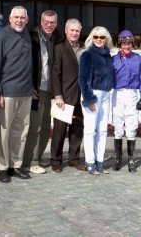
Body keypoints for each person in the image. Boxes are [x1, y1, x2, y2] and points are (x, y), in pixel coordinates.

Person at [0, 6, 34, 183]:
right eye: (16, 17)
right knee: (4, 132)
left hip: (25, 92)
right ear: (9, 18)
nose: (19, 20)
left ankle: (15, 165)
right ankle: (1, 167)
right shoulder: (2, 36)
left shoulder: (26, 34)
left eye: (22, 18)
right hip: (7, 93)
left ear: (27, 19)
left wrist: (32, 87)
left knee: (20, 131)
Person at [22, 10, 59, 174]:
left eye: (52, 22)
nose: (49, 25)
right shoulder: (31, 38)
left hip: (51, 91)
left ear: (56, 24)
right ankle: (31, 161)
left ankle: (38, 156)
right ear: (40, 22)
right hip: (36, 90)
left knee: (45, 127)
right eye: (46, 21)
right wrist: (30, 86)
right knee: (35, 127)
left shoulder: (56, 40)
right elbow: (25, 65)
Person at [50, 19, 86, 173]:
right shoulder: (59, 48)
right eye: (72, 30)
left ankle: (74, 159)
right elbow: (55, 73)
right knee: (59, 130)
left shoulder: (84, 48)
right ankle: (56, 160)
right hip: (64, 96)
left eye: (77, 31)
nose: (74, 33)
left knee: (77, 129)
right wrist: (58, 95)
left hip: (81, 96)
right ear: (66, 31)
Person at [79, 26, 114, 175]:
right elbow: (83, 79)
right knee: (90, 130)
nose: (99, 39)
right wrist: (89, 99)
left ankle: (100, 161)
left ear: (106, 39)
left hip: (106, 95)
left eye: (102, 37)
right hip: (93, 94)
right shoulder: (87, 55)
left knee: (103, 130)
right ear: (91, 39)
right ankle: (90, 162)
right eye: (96, 37)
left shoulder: (108, 56)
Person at [111, 30, 141, 173]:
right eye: (124, 43)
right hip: (117, 94)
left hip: (132, 94)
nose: (127, 46)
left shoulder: (138, 59)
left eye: (129, 43)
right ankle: (117, 158)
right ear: (120, 44)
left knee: (131, 126)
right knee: (118, 126)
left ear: (132, 44)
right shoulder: (113, 59)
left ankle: (131, 159)